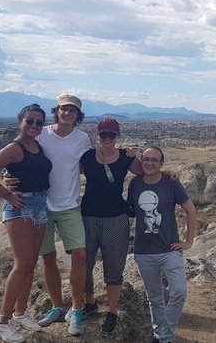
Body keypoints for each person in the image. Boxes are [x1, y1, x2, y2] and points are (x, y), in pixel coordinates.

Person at [6, 95, 92, 336]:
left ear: (78, 115)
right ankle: (56, 306)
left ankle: (75, 310)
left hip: (69, 205)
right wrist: (8, 176)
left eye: (72, 110)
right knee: (48, 258)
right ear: (57, 111)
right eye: (64, 109)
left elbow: (94, 163)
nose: (67, 113)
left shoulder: (82, 139)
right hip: (41, 205)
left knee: (80, 255)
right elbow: (20, 154)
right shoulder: (41, 133)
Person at [0, 104, 52, 343]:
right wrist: (8, 194)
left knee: (31, 264)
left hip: (39, 205)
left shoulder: (37, 145)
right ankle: (2, 321)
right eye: (29, 121)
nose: (33, 126)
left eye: (39, 122)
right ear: (20, 121)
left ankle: (20, 313)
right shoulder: (14, 148)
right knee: (22, 264)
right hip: (21, 206)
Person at [79, 117, 142, 336]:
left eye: (111, 135)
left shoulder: (126, 157)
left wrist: (171, 175)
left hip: (116, 217)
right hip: (87, 216)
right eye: (103, 134)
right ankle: (89, 303)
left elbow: (147, 173)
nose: (107, 138)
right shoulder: (86, 157)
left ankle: (112, 312)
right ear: (97, 135)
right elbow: (61, 173)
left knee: (114, 268)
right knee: (83, 264)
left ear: (118, 136)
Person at [127, 146, 196, 343]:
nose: (149, 162)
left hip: (170, 249)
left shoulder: (171, 183)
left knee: (179, 291)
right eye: (146, 159)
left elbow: (191, 211)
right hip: (143, 251)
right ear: (141, 161)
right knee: (155, 298)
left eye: (154, 160)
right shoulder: (135, 184)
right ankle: (161, 337)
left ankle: (166, 333)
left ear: (161, 163)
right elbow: (130, 212)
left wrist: (188, 241)